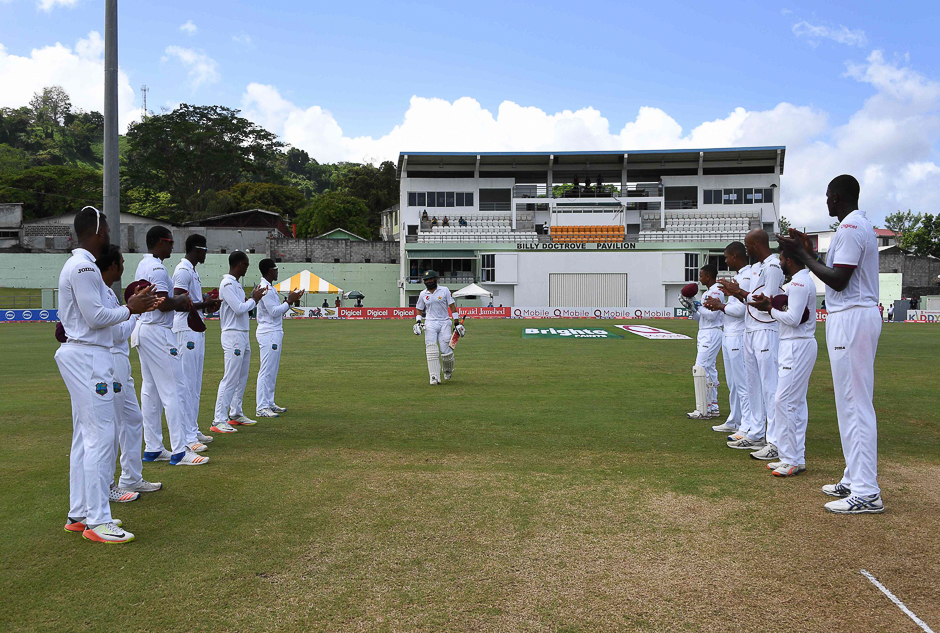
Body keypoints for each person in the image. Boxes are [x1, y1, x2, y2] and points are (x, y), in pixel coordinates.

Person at [778, 174, 884, 514]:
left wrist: (802, 257)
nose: (825, 202)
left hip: (852, 317)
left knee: (855, 405)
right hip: (849, 317)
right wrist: (809, 253)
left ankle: (867, 491)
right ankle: (855, 478)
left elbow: (838, 280)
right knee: (849, 404)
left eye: (827, 197)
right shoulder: (852, 227)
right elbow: (835, 272)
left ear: (837, 197)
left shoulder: (851, 229)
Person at [55, 206, 160, 543]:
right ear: (98, 229)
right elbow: (97, 317)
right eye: (108, 229)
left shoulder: (82, 267)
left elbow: (112, 327)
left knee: (86, 438)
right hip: (88, 359)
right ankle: (98, 520)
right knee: (100, 437)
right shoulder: (84, 265)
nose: (110, 236)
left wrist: (133, 308)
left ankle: (79, 513)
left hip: (90, 355)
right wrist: (130, 307)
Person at [134, 226, 208, 466]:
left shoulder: (144, 265)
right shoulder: (156, 267)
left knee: (151, 391)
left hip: (146, 330)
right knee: (175, 388)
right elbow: (162, 303)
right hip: (158, 331)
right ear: (160, 242)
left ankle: (153, 447)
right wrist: (182, 299)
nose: (173, 246)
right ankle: (179, 450)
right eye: (170, 242)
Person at [97, 245, 162, 502]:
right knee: (110, 426)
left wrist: (133, 310)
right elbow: (116, 333)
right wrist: (135, 312)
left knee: (133, 419)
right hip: (110, 363)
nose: (124, 266)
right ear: (113, 265)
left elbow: (121, 325)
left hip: (121, 362)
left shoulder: (109, 293)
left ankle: (131, 477)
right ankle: (108, 485)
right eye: (122, 262)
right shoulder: (99, 292)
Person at [748, 248, 817, 477]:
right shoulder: (799, 281)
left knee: (784, 401)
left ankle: (792, 459)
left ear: (789, 260)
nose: (780, 263)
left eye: (782, 258)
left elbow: (793, 319)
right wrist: (771, 303)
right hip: (794, 344)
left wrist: (770, 309)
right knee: (792, 403)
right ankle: (793, 458)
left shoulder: (798, 284)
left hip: (797, 344)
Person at [719, 229, 784, 458]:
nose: (746, 249)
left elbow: (767, 301)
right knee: (754, 385)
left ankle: (775, 442)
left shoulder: (773, 267)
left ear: (757, 244)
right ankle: (756, 433)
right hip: (750, 330)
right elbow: (750, 299)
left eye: (748, 245)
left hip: (766, 330)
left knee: (770, 387)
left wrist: (739, 292)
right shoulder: (757, 268)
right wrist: (735, 293)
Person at [172, 234, 221, 447]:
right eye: (205, 249)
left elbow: (193, 302)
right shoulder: (183, 270)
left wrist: (206, 304)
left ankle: (192, 428)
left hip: (196, 328)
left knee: (196, 384)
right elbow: (179, 303)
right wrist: (205, 303)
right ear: (196, 249)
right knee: (187, 384)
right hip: (185, 330)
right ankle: (186, 437)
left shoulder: (192, 271)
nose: (206, 253)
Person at [211, 251, 266, 433]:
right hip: (232, 334)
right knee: (230, 377)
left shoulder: (236, 285)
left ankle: (235, 413)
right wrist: (255, 299)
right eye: (246, 264)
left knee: (241, 377)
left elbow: (245, 307)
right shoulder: (227, 284)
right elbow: (239, 308)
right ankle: (218, 419)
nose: (248, 267)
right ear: (240, 264)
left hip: (242, 333)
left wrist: (252, 299)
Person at [704, 242, 752, 436]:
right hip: (729, 333)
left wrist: (719, 306)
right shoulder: (739, 277)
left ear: (735, 256)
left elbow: (741, 310)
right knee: (732, 383)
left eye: (726, 257)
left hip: (739, 335)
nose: (725, 260)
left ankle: (747, 425)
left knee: (742, 384)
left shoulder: (747, 277)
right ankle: (735, 419)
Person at [255, 259, 303, 418]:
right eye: (275, 269)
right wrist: (290, 300)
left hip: (273, 331)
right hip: (268, 332)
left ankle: (269, 402)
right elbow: (274, 312)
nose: (277, 272)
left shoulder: (270, 288)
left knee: (272, 370)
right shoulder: (265, 289)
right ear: (269, 271)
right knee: (266, 369)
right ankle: (261, 407)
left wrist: (291, 299)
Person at [680, 264, 723, 420]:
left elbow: (711, 316)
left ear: (709, 276)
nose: (699, 279)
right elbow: (702, 318)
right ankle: (712, 406)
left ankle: (702, 409)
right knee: (709, 370)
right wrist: (692, 309)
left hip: (711, 333)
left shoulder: (716, 291)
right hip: (706, 332)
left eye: (701, 276)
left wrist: (697, 304)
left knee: (700, 369)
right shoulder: (709, 292)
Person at [412, 270, 464, 385]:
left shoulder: (444, 290)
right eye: (426, 280)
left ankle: (448, 370)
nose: (428, 281)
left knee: (446, 351)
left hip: (445, 322)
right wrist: (418, 321)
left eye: (430, 279)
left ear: (435, 279)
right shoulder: (423, 294)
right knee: (431, 349)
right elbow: (419, 309)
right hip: (430, 323)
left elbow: (452, 307)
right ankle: (434, 377)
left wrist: (457, 323)